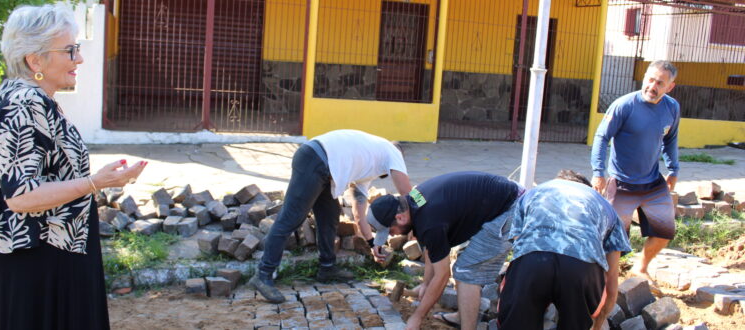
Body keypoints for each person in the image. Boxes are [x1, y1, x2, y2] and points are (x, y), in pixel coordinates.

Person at [0, 4, 147, 330]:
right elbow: (21, 196)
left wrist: (102, 178)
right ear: (35, 60)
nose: (79, 59)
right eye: (70, 51)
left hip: (51, 254)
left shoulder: (37, 99)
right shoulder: (23, 104)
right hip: (36, 262)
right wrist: (95, 182)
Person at [249, 129, 412, 303]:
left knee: (330, 215)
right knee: (292, 217)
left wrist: (372, 243)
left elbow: (359, 214)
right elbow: (407, 192)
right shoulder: (393, 152)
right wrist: (423, 201)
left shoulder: (370, 165)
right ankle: (263, 274)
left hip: (324, 168)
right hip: (315, 160)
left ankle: (327, 267)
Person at [367, 171, 521, 330]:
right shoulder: (415, 199)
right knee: (465, 265)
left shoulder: (430, 221)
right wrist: (426, 284)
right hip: (504, 197)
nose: (392, 235)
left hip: (512, 208)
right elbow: (430, 248)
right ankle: (462, 316)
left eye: (390, 230)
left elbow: (442, 275)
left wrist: (417, 317)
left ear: (400, 218)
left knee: (466, 271)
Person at [498, 170, 631, 330]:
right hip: (581, 268)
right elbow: (611, 279)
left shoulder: (532, 194)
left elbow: (519, 244)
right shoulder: (604, 206)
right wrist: (598, 323)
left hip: (532, 261)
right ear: (586, 187)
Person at [591, 60, 680, 282]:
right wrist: (598, 172)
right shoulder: (624, 105)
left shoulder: (672, 108)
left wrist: (673, 169)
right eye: (650, 79)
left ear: (670, 87)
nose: (653, 86)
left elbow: (670, 139)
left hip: (652, 181)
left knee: (664, 231)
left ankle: (641, 267)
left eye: (660, 82)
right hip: (621, 182)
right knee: (613, 239)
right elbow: (602, 137)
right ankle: (605, 280)